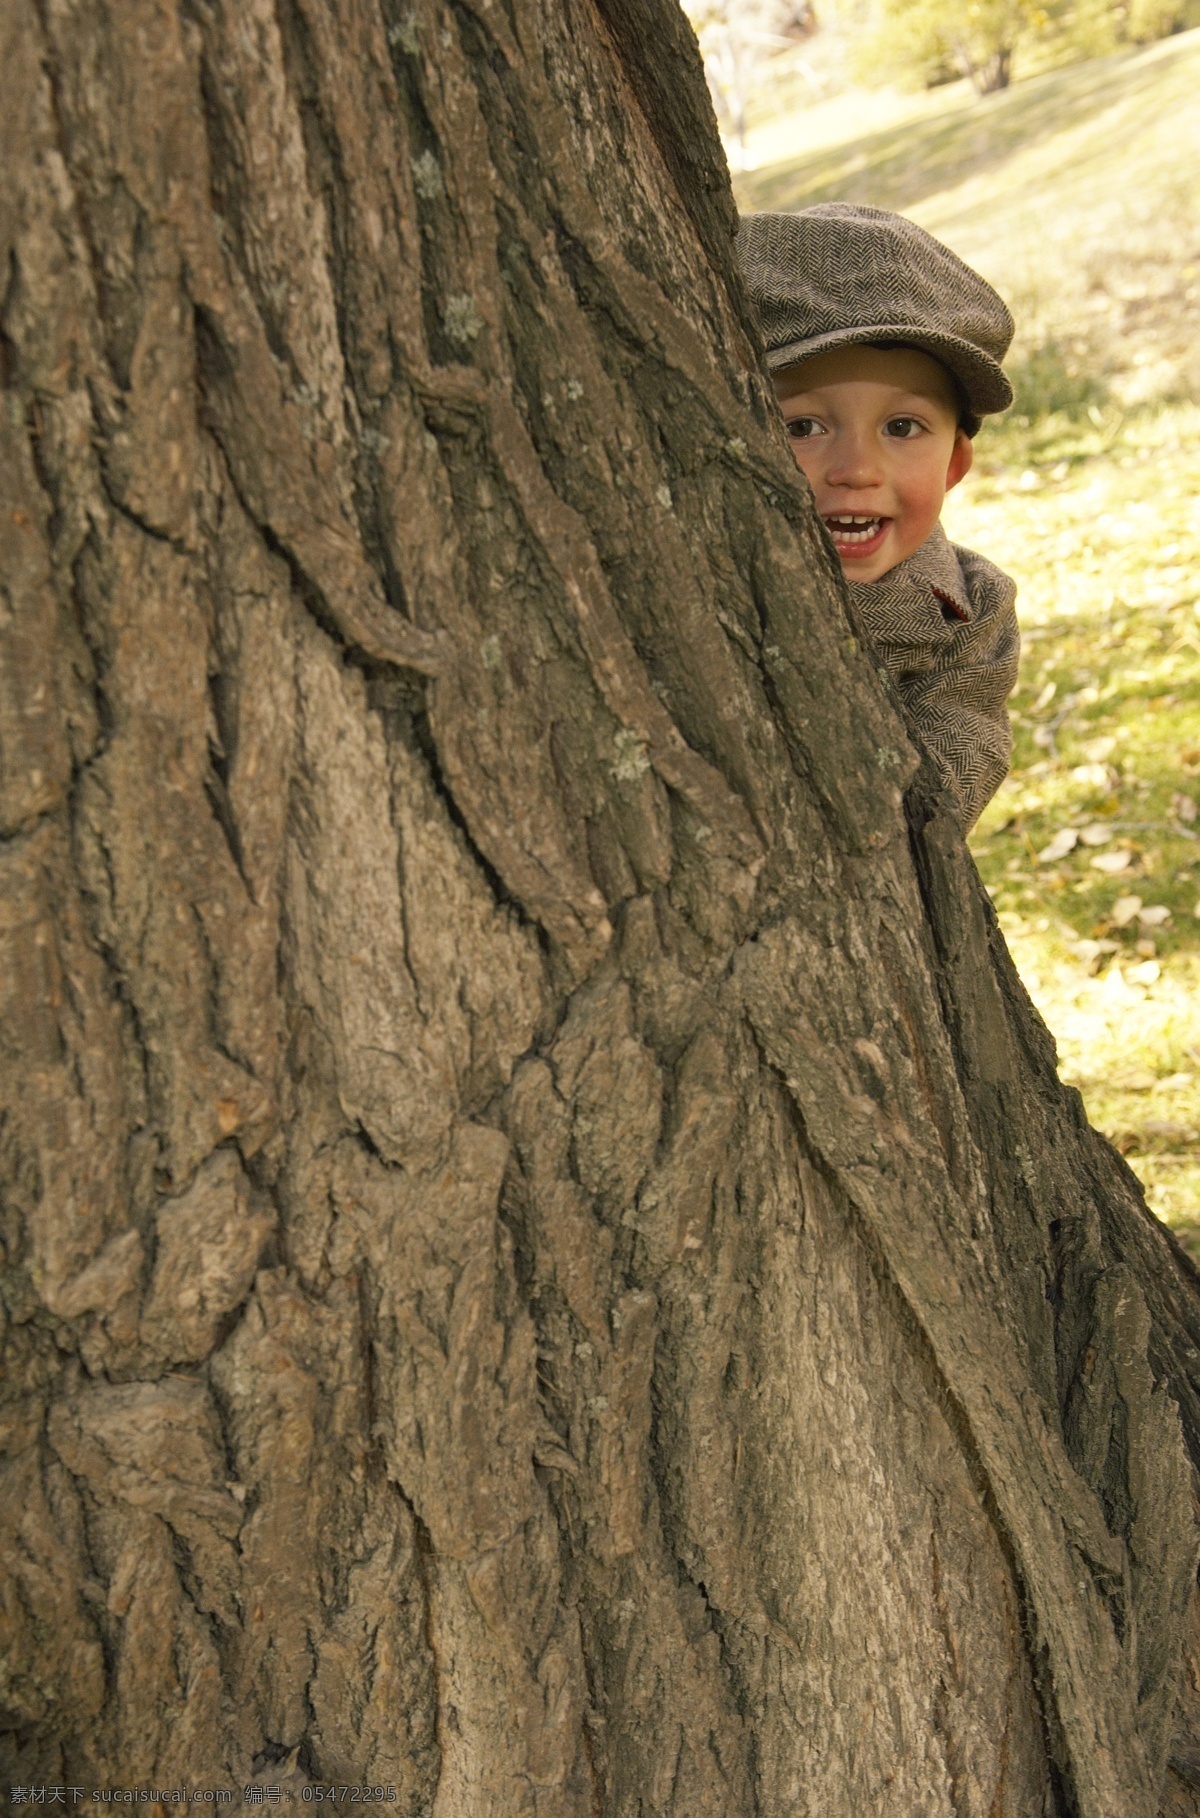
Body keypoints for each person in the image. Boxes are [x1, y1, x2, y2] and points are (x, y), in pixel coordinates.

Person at [737, 203, 1020, 832]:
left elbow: (962, 754)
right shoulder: (715, 567)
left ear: (955, 462)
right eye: (801, 427)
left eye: (902, 427)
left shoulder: (972, 610)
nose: (857, 468)